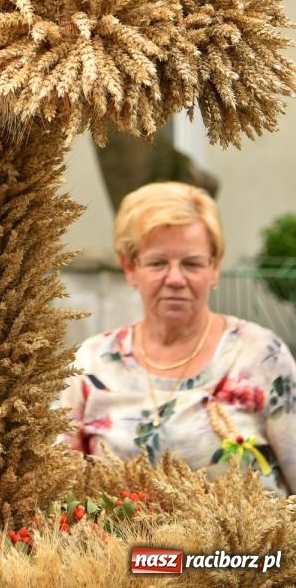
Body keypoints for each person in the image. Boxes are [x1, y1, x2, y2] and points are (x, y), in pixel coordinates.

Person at [58, 181, 296, 494]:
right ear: (130, 268)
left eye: (192, 263)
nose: (175, 279)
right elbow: (57, 485)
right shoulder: (91, 364)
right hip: (121, 544)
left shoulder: (262, 356)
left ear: (215, 266)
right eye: (157, 263)